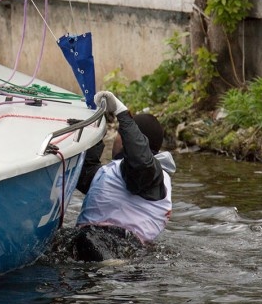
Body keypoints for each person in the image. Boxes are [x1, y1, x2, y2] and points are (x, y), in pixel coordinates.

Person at [50, 91, 177, 262]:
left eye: (119, 133)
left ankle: (112, 266)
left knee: (85, 239)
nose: (116, 138)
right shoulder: (116, 174)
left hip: (120, 247)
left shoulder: (151, 175)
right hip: (97, 244)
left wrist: (122, 113)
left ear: (130, 139)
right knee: (63, 240)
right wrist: (90, 131)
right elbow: (84, 171)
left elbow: (139, 159)